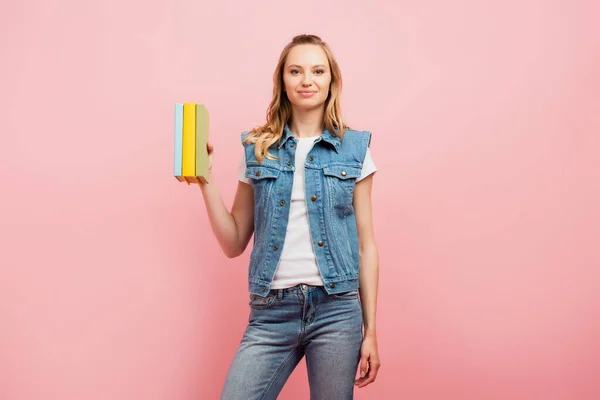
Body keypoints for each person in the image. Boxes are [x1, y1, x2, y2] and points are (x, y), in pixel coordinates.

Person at [199, 34, 380, 400]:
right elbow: (234, 242)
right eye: (295, 71)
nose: (307, 80)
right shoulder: (258, 148)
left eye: (317, 70)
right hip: (271, 311)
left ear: (331, 80)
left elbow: (367, 247)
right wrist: (205, 180)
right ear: (283, 80)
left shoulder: (354, 148)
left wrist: (371, 330)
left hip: (336, 309)